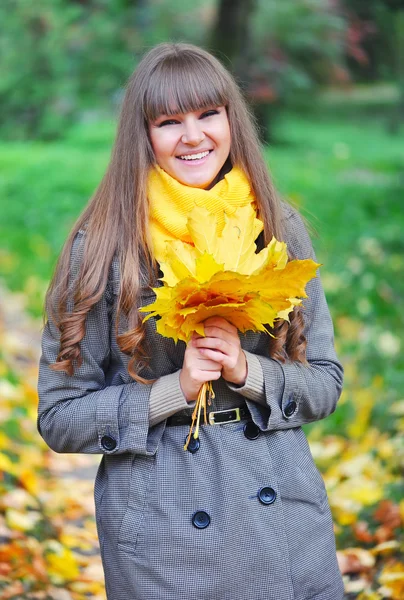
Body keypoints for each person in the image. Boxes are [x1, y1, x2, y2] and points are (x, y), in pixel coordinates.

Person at [37, 42, 344, 600]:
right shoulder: (103, 246)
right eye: (169, 121)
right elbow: (60, 416)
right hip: (162, 522)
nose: (193, 135)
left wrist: (247, 371)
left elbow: (325, 381)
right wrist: (172, 391)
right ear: (142, 135)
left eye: (208, 114)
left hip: (281, 512)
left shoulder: (275, 226)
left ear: (232, 119)